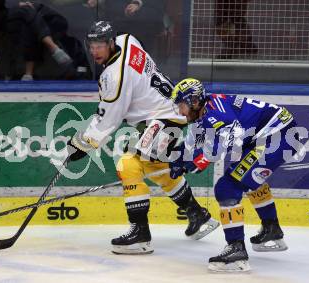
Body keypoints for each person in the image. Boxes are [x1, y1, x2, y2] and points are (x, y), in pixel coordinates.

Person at [65, 21, 219, 255]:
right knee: (157, 167)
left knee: (128, 165)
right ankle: (198, 215)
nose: (94, 51)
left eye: (99, 46)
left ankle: (140, 234)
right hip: (167, 112)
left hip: (164, 117)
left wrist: (82, 144)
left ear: (109, 42)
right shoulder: (127, 39)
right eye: (91, 46)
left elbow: (109, 120)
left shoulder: (114, 77)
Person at [169, 78, 297, 272]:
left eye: (181, 105)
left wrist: (192, 163)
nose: (179, 112)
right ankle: (271, 229)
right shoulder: (205, 111)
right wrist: (179, 158)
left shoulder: (215, 113)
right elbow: (194, 144)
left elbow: (225, 144)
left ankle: (236, 249)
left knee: (227, 187)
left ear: (194, 101)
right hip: (268, 134)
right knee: (246, 178)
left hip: (277, 136)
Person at [4, 1, 89, 80]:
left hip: (39, 14)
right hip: (4, 12)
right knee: (27, 10)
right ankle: (52, 47)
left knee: (30, 22)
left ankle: (28, 74)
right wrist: (17, 4)